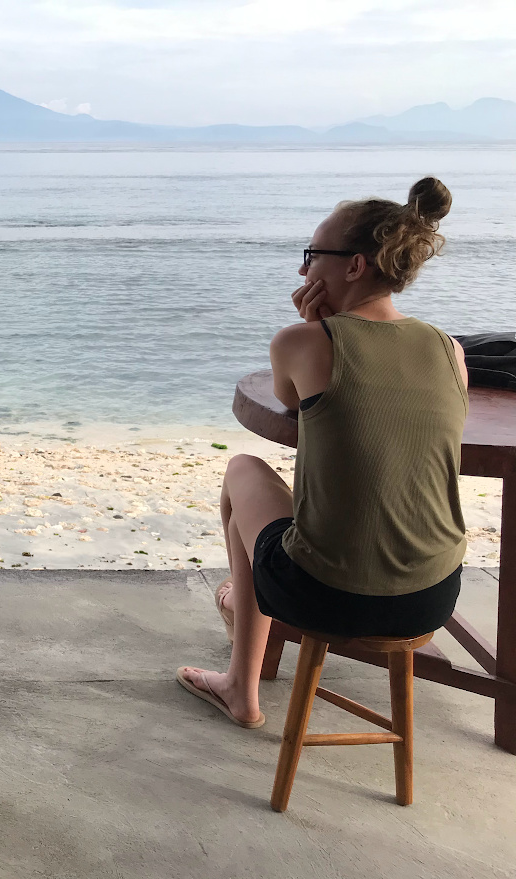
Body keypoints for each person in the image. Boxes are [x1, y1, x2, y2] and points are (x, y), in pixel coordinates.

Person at [177, 177, 468, 728]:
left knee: (243, 470)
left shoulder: (303, 342)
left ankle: (242, 682)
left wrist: (317, 329)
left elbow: (291, 398)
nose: (303, 272)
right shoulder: (448, 348)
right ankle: (244, 606)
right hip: (433, 596)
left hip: (329, 598)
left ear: (354, 266)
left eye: (312, 256)